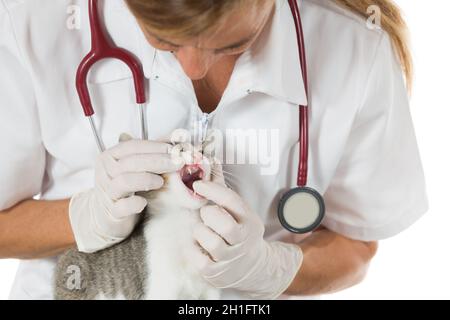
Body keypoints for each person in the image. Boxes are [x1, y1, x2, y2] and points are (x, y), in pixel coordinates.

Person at [0, 0, 428, 300]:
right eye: (162, 39)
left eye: (231, 43)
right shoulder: (32, 23)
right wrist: (83, 218)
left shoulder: (354, 47)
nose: (194, 68)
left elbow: (355, 248)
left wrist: (267, 268)